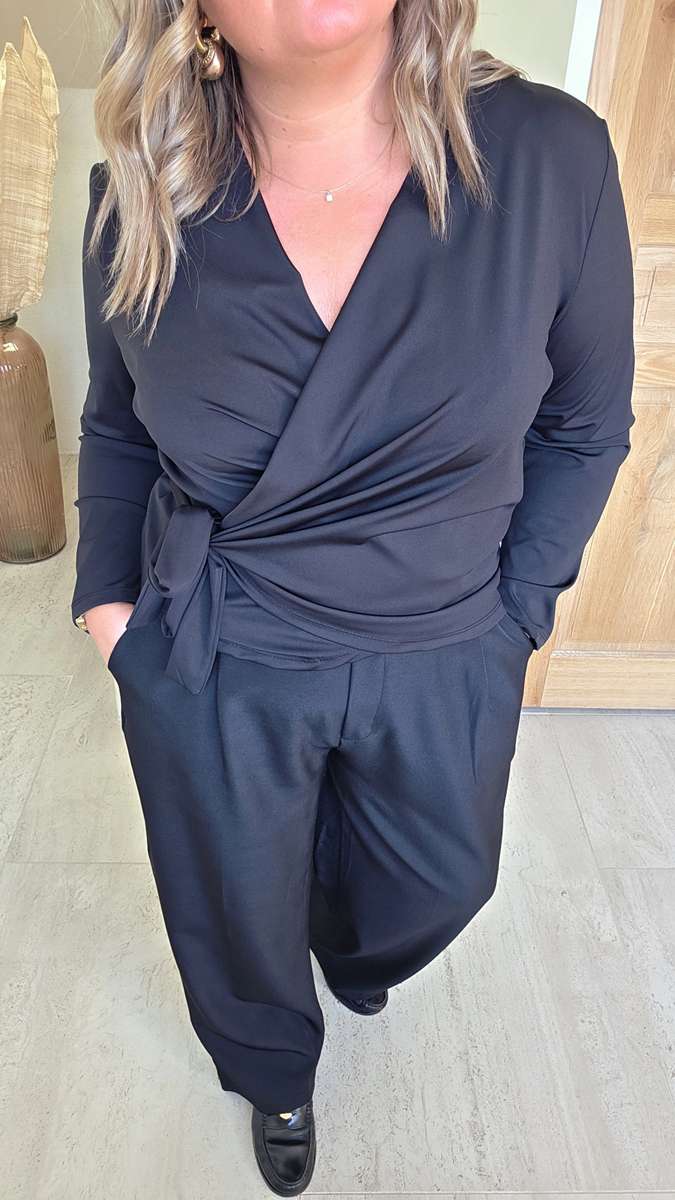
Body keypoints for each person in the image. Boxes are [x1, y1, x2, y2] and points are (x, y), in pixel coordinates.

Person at [70, 1, 636, 1194]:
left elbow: (585, 427)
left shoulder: (551, 158)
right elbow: (117, 427)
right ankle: (273, 1070)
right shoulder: (138, 195)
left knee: (439, 882)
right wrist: (109, 606)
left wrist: (516, 614)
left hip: (446, 633)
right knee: (233, 904)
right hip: (218, 644)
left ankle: (351, 938)